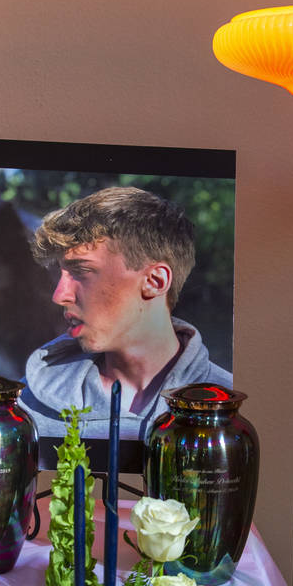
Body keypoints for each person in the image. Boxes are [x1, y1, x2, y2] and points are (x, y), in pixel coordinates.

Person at [19, 186, 234, 447]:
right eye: (61, 274)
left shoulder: (232, 412)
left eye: (82, 272)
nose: (60, 295)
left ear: (155, 281)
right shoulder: (23, 409)